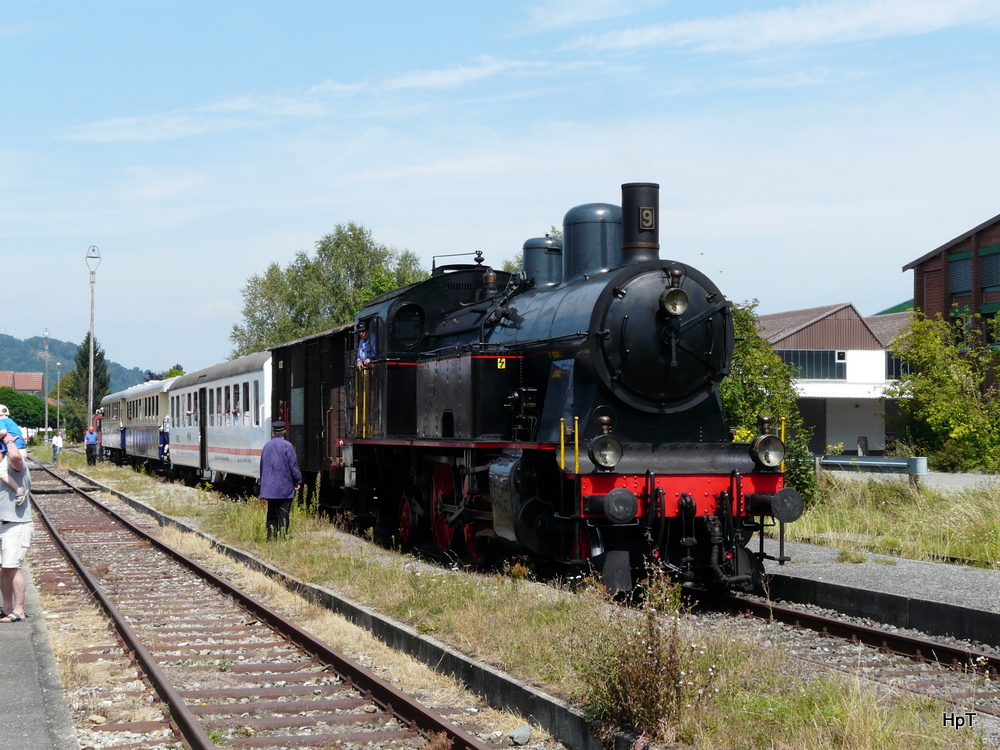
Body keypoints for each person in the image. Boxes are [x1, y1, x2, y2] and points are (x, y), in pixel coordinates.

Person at [0, 430, 31, 623]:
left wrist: (8, 439)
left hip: (16, 525)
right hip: (2, 525)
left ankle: (19, 610)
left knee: (12, 567)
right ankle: (7, 607)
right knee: (2, 568)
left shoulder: (15, 468)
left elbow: (15, 455)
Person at [259, 421, 301, 541]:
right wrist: (297, 480)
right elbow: (293, 466)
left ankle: (270, 537)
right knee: (284, 512)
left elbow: (262, 466)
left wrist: (264, 484)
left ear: (273, 432)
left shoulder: (266, 446)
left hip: (270, 487)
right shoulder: (288, 446)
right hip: (284, 486)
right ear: (284, 431)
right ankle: (282, 537)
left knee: (271, 512)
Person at [0, 405, 28, 504]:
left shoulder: (1, 422)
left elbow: (3, 432)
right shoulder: (11, 422)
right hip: (20, 449)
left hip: (13, 450)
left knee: (1, 472)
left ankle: (19, 490)